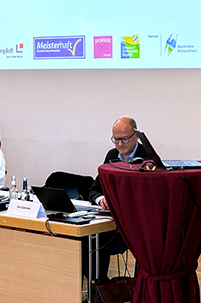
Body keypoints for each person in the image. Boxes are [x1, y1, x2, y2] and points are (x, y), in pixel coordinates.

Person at [87, 116, 151, 282]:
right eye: (116, 140)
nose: (120, 144)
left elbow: (149, 197)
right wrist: (101, 198)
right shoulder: (112, 155)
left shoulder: (148, 157)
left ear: (136, 136)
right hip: (111, 221)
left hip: (138, 225)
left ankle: (139, 287)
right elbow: (94, 189)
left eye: (124, 139)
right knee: (89, 240)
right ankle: (100, 285)